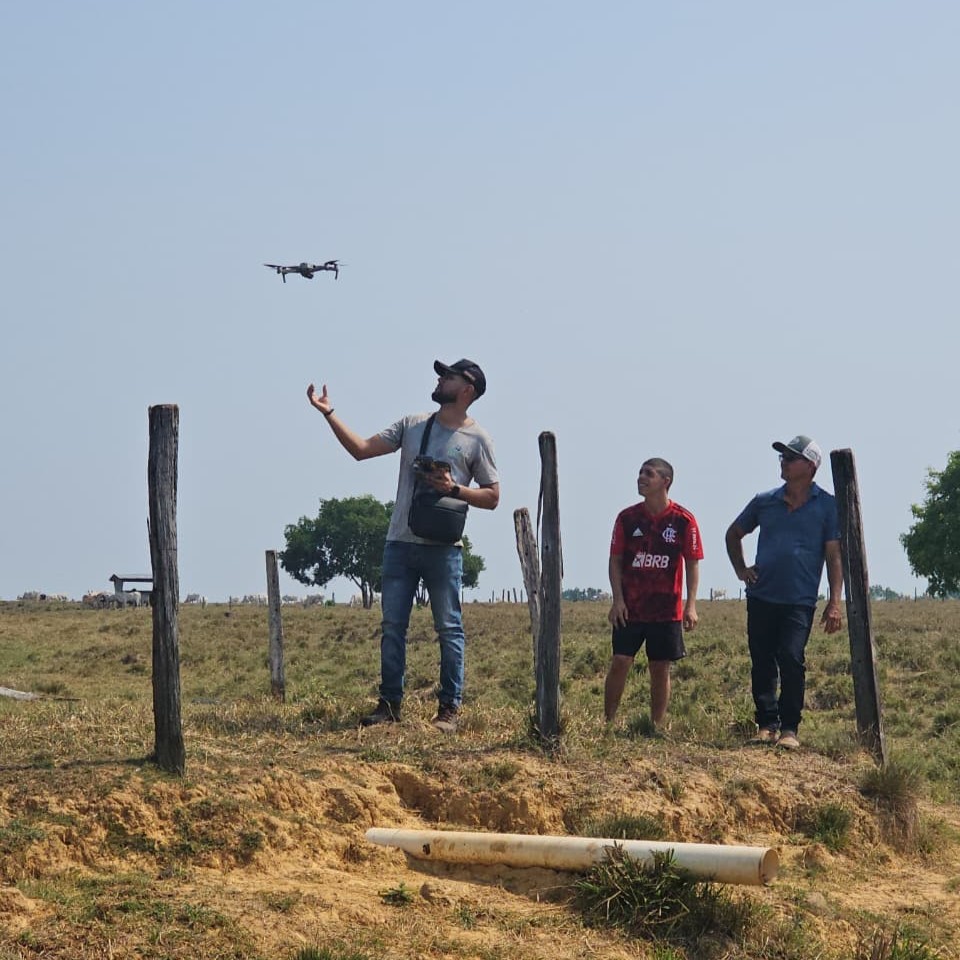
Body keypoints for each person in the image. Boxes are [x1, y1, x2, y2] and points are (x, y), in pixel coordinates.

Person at [307, 359, 499, 733]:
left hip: (445, 548)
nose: (440, 379)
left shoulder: (478, 439)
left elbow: (493, 497)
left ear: (467, 390)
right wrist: (329, 414)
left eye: (448, 376)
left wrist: (453, 489)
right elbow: (362, 449)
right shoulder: (412, 424)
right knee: (393, 625)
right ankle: (389, 705)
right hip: (400, 541)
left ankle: (448, 711)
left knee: (449, 627)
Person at [724, 435, 843, 751]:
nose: (784, 462)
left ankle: (790, 728)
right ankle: (766, 725)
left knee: (791, 658)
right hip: (762, 595)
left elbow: (834, 556)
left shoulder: (828, 506)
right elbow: (734, 533)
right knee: (762, 661)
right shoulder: (765, 501)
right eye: (782, 457)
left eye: (791, 458)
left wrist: (834, 602)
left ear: (810, 465)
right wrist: (741, 570)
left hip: (799, 600)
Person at [604, 458, 702, 733]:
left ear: (665, 481)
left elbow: (693, 562)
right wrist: (618, 600)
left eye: (649, 474)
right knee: (620, 661)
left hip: (666, 609)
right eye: (640, 473)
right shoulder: (627, 518)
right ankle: (608, 723)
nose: (641, 478)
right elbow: (615, 560)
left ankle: (656, 727)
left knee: (660, 668)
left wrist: (690, 605)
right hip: (631, 608)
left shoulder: (683, 520)